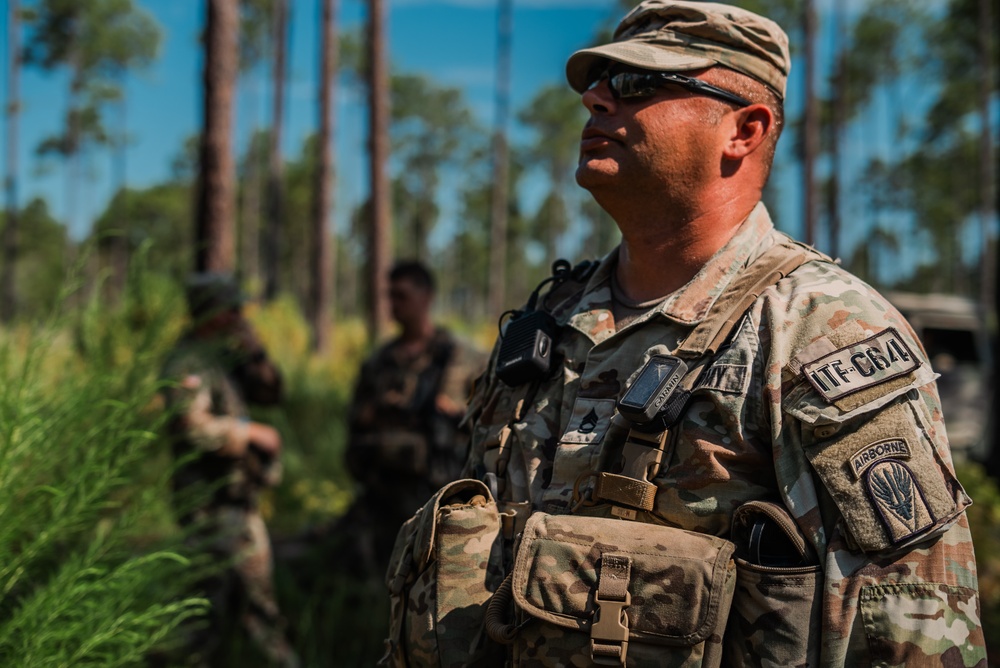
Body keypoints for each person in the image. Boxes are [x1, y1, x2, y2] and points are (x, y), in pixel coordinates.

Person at [382, 2, 986, 666]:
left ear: (744, 130)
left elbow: (913, 636)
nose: (595, 98)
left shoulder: (823, 330)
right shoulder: (551, 320)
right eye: (601, 82)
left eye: (638, 84)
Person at [162, 273, 299, 668]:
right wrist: (249, 432)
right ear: (212, 313)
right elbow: (191, 426)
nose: (239, 315)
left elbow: (272, 393)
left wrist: (255, 352)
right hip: (212, 502)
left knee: (211, 607)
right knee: (254, 607)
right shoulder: (186, 362)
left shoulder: (223, 357)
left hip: (234, 498)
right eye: (232, 309)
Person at [343, 259, 487, 577]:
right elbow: (356, 422)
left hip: (440, 492)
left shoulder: (464, 357)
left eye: (402, 296)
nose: (393, 305)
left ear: (427, 297)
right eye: (389, 296)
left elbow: (490, 421)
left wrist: (454, 414)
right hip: (383, 492)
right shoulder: (380, 362)